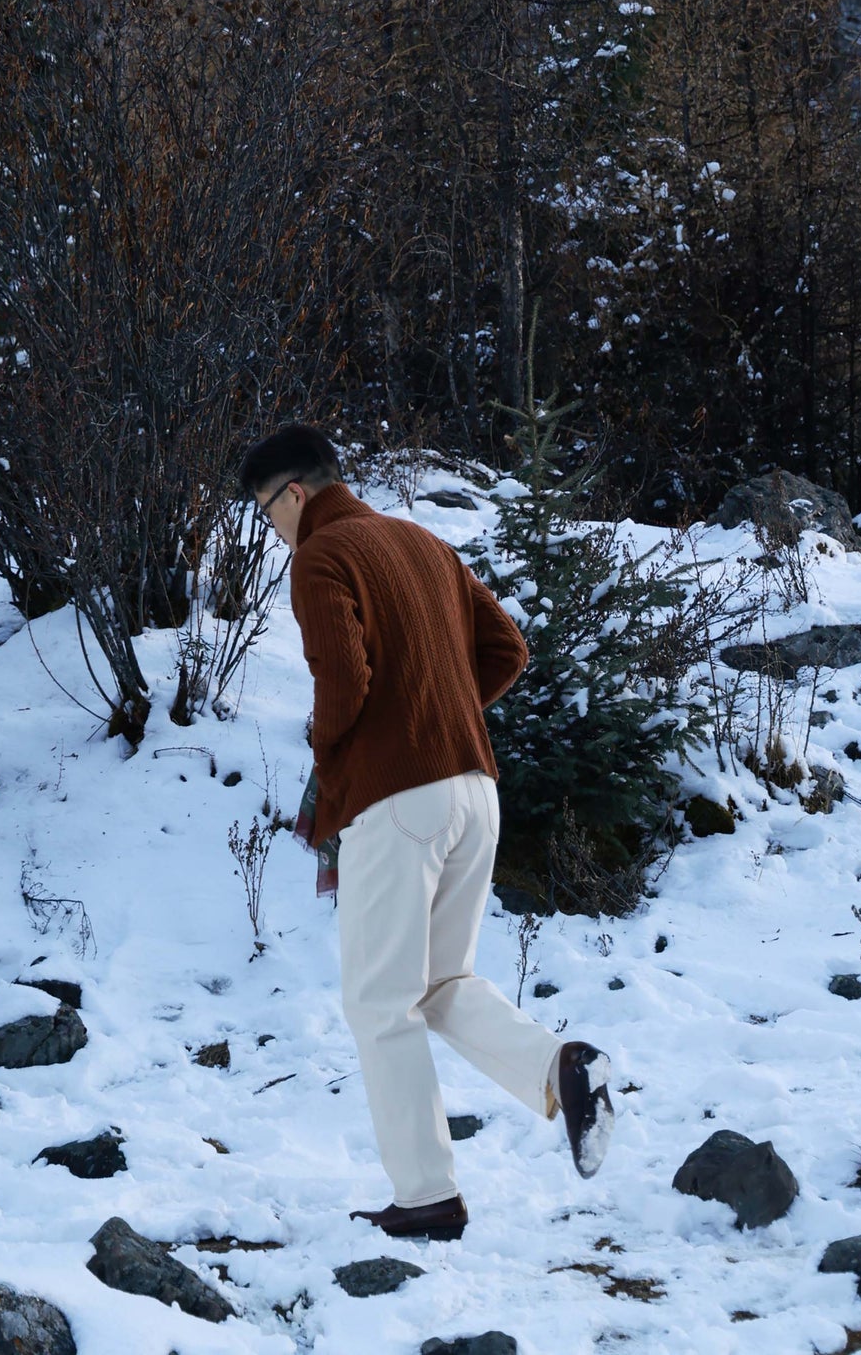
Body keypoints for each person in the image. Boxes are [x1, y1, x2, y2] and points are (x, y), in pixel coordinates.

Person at [240, 422, 614, 1242]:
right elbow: (506, 648)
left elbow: (342, 678)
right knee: (440, 984)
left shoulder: (322, 556)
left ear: (294, 494)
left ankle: (426, 1195)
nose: (270, 529)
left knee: (379, 1000)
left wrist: (339, 751)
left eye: (266, 511)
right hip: (473, 790)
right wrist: (436, 719)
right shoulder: (421, 542)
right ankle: (563, 1066)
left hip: (398, 802)